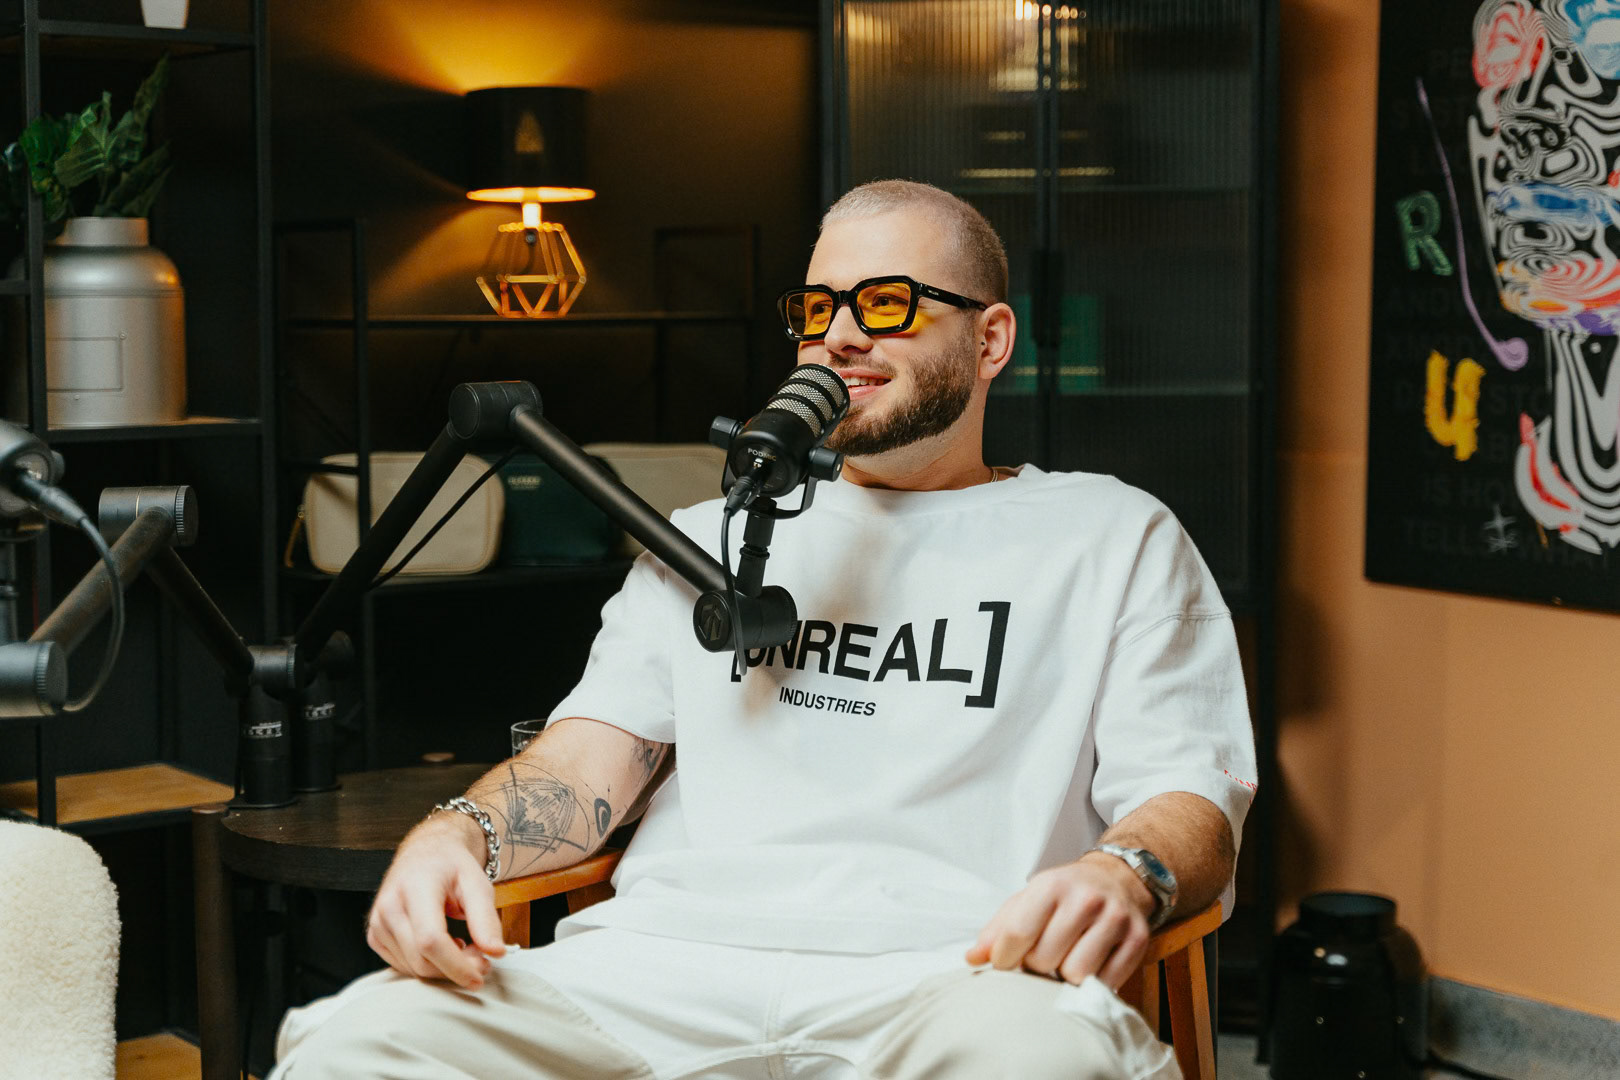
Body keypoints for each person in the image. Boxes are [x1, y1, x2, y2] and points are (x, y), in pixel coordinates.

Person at [271, 180, 1256, 1080]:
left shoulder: (1110, 535)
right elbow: (582, 766)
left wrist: (1123, 873)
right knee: (355, 1045)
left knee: (1054, 1065)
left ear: (991, 339)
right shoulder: (705, 538)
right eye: (817, 310)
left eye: (887, 304)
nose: (840, 336)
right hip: (657, 973)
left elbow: (1190, 797)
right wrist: (458, 832)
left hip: (955, 978)